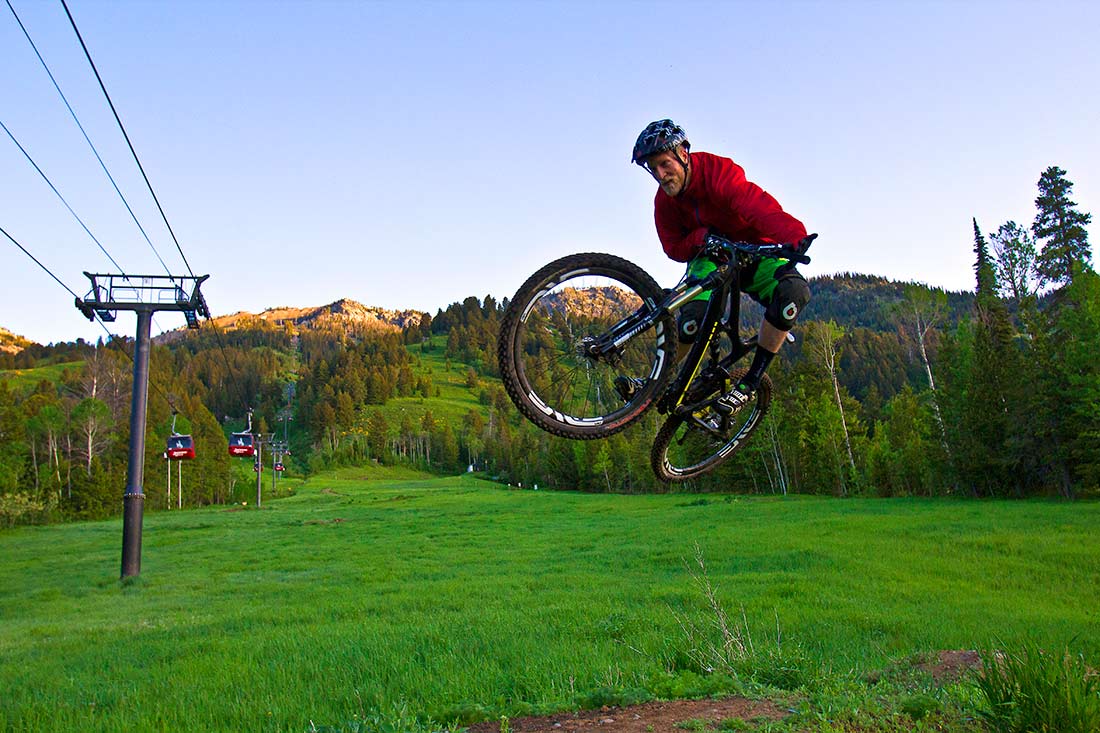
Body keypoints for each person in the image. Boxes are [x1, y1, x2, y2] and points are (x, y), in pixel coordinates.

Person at [628, 118, 811, 409]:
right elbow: (673, 247)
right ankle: (654, 382)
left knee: (793, 295)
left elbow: (754, 204)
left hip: (753, 253)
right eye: (654, 169)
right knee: (690, 325)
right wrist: (702, 238)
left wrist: (792, 235)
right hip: (709, 260)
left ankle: (750, 383)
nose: (661, 175)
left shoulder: (717, 173)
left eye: (665, 164)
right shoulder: (664, 202)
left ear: (683, 154)